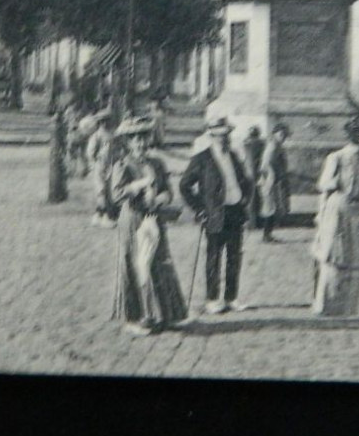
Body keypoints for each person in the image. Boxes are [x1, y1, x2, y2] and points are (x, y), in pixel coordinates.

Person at [109, 115, 188, 336]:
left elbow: (168, 191)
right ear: (128, 142)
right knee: (136, 265)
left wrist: (162, 198)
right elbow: (116, 195)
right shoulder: (122, 165)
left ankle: (166, 314)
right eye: (135, 139)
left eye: (143, 138)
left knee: (160, 263)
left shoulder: (157, 163)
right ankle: (136, 317)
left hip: (154, 219)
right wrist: (138, 185)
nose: (141, 144)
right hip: (133, 220)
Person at [178, 116, 254, 314]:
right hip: (214, 214)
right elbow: (184, 185)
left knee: (234, 257)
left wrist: (245, 197)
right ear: (211, 136)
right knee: (213, 257)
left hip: (235, 211)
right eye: (220, 136)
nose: (224, 139)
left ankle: (231, 298)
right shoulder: (202, 159)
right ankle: (212, 299)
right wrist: (200, 209)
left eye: (226, 135)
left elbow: (245, 180)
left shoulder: (234, 156)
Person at [311, 114, 359, 318]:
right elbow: (325, 189)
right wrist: (320, 215)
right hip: (338, 210)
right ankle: (331, 304)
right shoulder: (337, 158)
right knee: (337, 254)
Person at [257, 122, 292, 243]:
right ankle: (266, 236)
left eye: (285, 134)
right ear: (275, 134)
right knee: (269, 208)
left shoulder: (278, 146)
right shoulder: (272, 146)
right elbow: (265, 165)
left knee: (272, 207)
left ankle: (268, 234)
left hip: (275, 180)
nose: (283, 137)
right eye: (281, 134)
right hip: (269, 180)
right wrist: (273, 178)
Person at [84, 110, 118, 228]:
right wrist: (95, 161)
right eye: (103, 122)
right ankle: (103, 216)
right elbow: (90, 152)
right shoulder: (97, 136)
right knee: (101, 190)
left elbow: (117, 148)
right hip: (100, 166)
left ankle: (102, 214)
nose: (105, 124)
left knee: (110, 190)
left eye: (107, 121)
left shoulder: (113, 134)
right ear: (100, 123)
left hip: (111, 165)